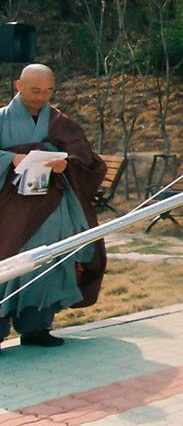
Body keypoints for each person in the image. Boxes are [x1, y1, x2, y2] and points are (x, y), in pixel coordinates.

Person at [0, 64, 107, 352]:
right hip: (9, 210)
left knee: (48, 264)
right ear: (18, 86)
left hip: (52, 207)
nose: (41, 97)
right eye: (35, 90)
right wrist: (9, 159)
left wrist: (66, 163)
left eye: (48, 91)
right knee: (7, 263)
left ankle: (37, 326)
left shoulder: (60, 122)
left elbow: (87, 160)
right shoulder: (1, 120)